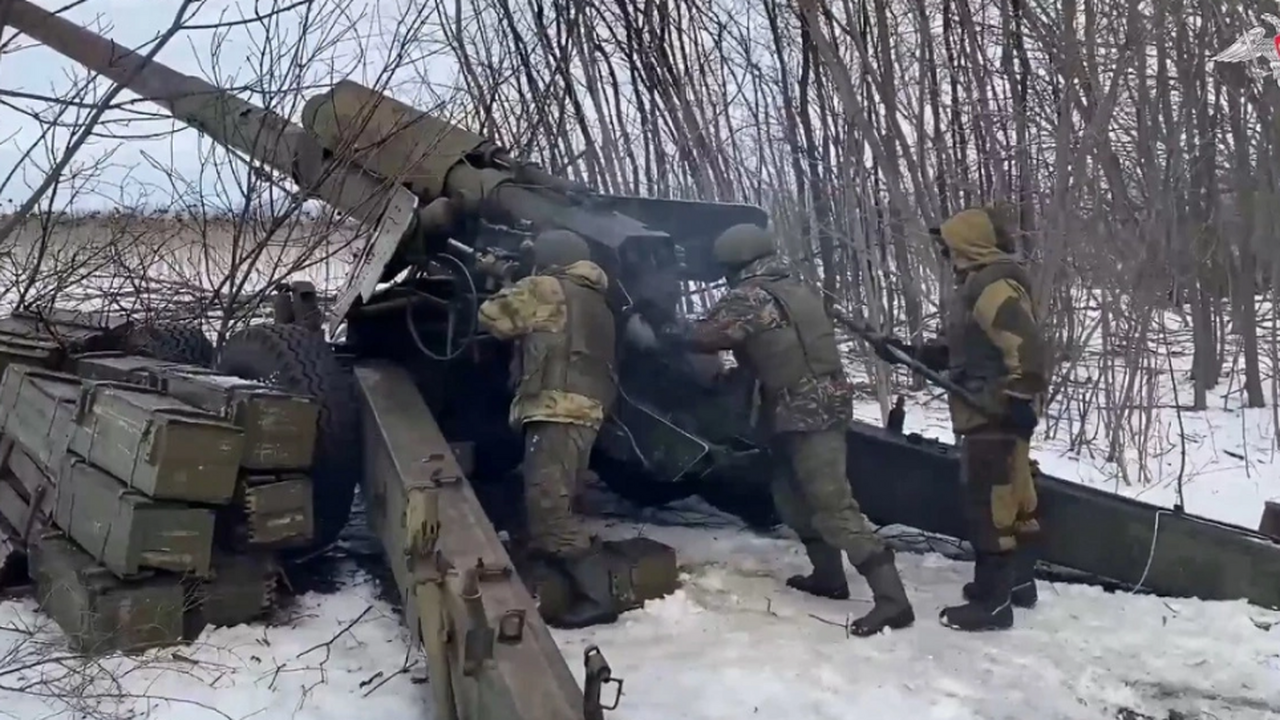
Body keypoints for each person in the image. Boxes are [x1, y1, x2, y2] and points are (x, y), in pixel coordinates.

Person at [663, 222, 915, 637]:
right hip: (796, 409)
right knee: (792, 498)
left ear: (736, 262)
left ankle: (893, 601)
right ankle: (829, 578)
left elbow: (707, 336)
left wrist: (662, 329)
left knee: (833, 506)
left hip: (806, 411)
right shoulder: (794, 286)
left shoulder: (751, 295)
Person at [873, 205, 1046, 631]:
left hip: (995, 410)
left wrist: (1020, 397)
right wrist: (909, 354)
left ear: (969, 246)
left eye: (949, 248)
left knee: (989, 504)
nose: (945, 256)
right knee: (1016, 499)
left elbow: (1028, 347)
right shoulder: (983, 284)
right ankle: (1019, 585)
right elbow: (962, 350)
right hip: (994, 408)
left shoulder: (991, 286)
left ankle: (993, 603)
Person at [476, 228, 618, 629]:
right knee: (560, 497)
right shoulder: (594, 298)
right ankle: (557, 570)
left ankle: (597, 598)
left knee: (549, 509)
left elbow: (492, 317)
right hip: (585, 410)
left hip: (556, 408)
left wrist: (501, 278)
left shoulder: (547, 287)